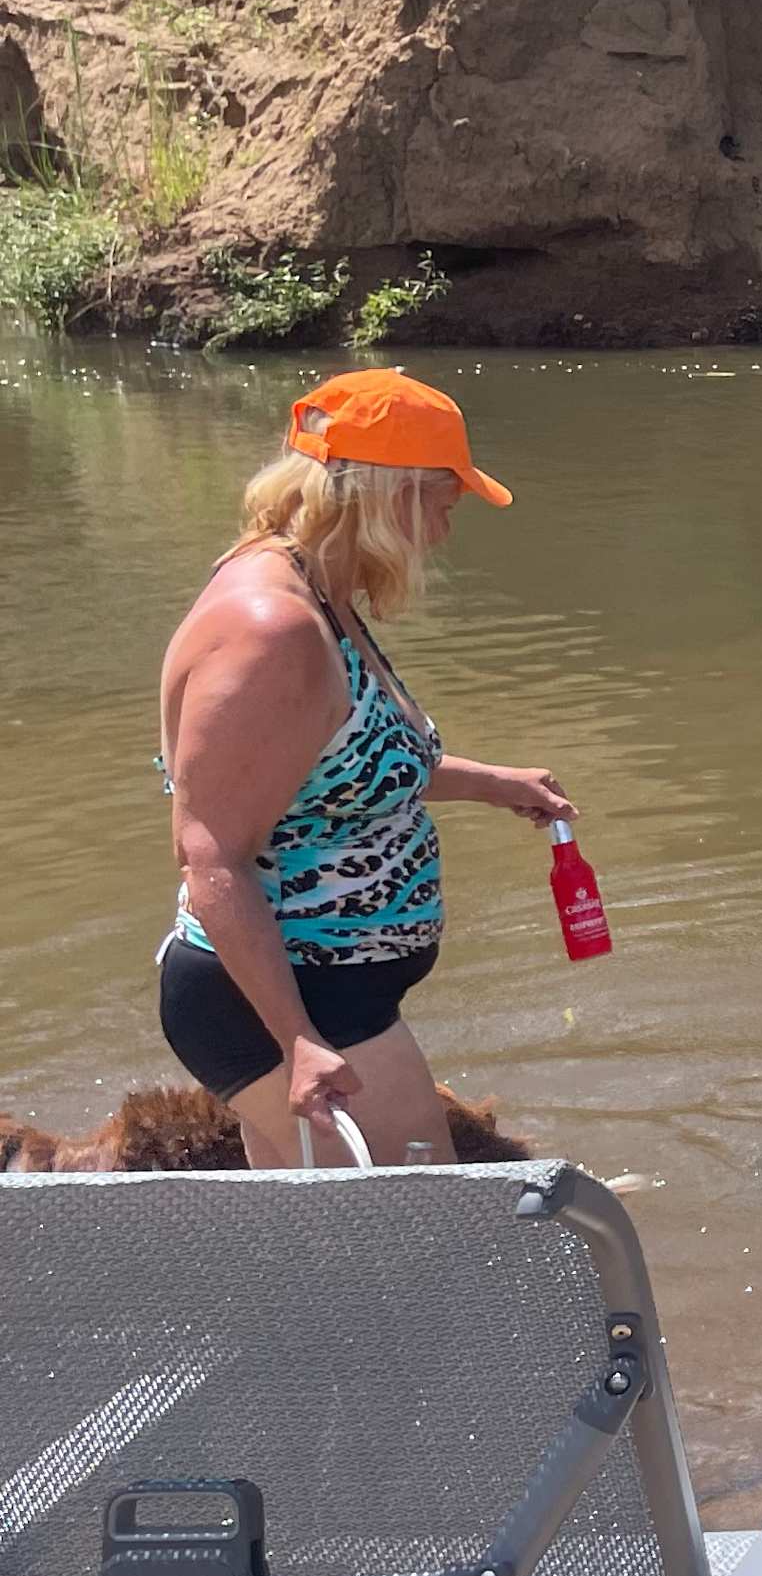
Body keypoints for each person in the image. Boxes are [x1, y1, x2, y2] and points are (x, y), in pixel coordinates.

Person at [153, 369, 577, 1167]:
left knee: (329, 1264)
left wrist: (490, 783)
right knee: (430, 1242)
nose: (443, 535)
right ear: (391, 496)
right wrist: (301, 1040)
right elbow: (211, 851)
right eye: (443, 508)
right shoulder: (271, 626)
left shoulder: (317, 595)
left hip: (326, 988)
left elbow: (331, 768)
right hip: (289, 1002)